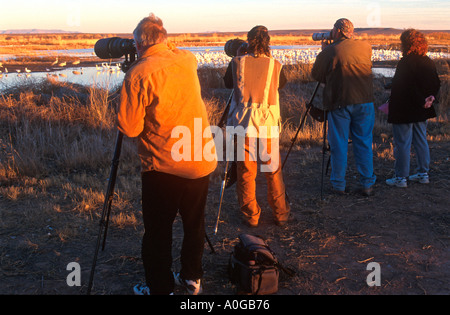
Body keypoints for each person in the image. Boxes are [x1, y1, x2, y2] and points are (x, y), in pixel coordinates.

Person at [117, 13, 217, 295]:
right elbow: (169, 51)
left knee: (158, 233)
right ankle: (192, 278)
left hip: (164, 167)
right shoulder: (187, 59)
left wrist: (131, 74)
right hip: (200, 160)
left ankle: (160, 288)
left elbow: (129, 127)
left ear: (137, 44)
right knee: (194, 224)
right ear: (165, 39)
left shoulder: (139, 73)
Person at [223, 25, 290, 227]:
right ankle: (281, 214)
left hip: (243, 123)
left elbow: (227, 83)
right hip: (268, 122)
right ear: (267, 42)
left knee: (246, 170)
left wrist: (237, 55)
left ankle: (251, 215)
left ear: (248, 40)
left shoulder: (237, 63)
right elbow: (282, 84)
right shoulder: (275, 65)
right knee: (273, 170)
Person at [311, 18, 376, 196]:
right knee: (363, 141)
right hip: (365, 102)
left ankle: (338, 184)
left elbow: (316, 74)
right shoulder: (365, 46)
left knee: (339, 143)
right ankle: (367, 184)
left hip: (340, 102)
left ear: (338, 31)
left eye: (333, 30)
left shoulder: (331, 51)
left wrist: (324, 52)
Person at [385, 29, 440, 188]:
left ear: (406, 43)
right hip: (422, 109)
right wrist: (431, 98)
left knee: (402, 143)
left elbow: (406, 86)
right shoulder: (427, 60)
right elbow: (436, 83)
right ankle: (423, 174)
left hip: (405, 110)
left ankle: (401, 178)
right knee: (421, 140)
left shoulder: (405, 62)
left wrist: (422, 100)